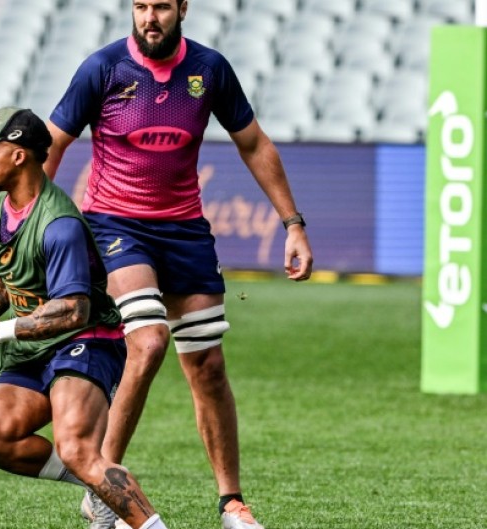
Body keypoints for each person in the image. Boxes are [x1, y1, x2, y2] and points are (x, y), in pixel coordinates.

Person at [42, 2, 315, 528]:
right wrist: (39, 228)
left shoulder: (209, 69)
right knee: (147, 341)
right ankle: (103, 484)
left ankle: (231, 503)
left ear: (182, 8)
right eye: (141, 5)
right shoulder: (102, 68)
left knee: (208, 367)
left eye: (161, 6)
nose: (150, 17)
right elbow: (52, 145)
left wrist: (293, 224)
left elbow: (253, 143)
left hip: (185, 229)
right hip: (116, 226)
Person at [0, 106, 168, 529]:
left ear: (17, 155)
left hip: (88, 339)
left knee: (79, 449)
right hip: (33, 344)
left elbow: (74, 310)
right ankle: (97, 487)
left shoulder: (59, 224)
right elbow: (3, 269)